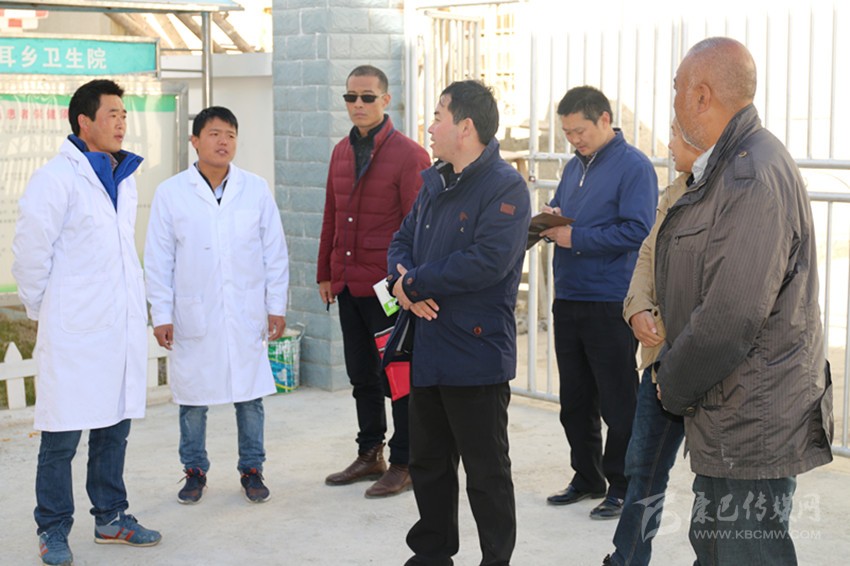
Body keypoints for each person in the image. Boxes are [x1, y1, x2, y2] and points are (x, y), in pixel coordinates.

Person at [656, 37, 833, 564]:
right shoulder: (730, 165)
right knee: (715, 549)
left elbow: (729, 319)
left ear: (702, 96)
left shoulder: (750, 176)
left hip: (750, 420)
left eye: (676, 90)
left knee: (745, 553)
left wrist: (672, 382)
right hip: (730, 413)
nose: (673, 103)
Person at [12, 79, 161, 566]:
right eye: (112, 114)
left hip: (116, 327)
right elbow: (30, 255)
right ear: (84, 121)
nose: (122, 122)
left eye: (124, 115)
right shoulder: (55, 178)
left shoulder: (124, 175)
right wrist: (48, 309)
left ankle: (111, 517)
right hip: (74, 329)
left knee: (113, 428)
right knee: (62, 435)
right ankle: (53, 527)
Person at [385, 80, 531, 566]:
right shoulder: (435, 182)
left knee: (486, 472)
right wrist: (403, 284)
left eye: (438, 117)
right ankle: (432, 555)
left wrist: (415, 283)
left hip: (475, 352)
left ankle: (496, 560)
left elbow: (488, 261)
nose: (430, 127)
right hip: (428, 349)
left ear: (465, 127)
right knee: (428, 463)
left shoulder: (505, 187)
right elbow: (400, 242)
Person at [144, 106, 289, 505]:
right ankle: (194, 471)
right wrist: (162, 314)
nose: (223, 141)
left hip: (245, 311)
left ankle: (252, 469)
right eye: (214, 134)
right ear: (195, 141)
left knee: (250, 396)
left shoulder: (255, 189)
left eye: (230, 134)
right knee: (193, 399)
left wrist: (276, 305)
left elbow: (274, 253)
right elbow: (158, 259)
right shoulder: (172, 193)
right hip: (194, 311)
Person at [540, 86, 657, 520]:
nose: (574, 140)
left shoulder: (634, 167)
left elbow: (638, 230)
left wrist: (576, 237)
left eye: (580, 131)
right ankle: (586, 477)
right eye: (568, 133)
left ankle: (622, 485)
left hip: (610, 299)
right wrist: (552, 219)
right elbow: (570, 216)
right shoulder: (574, 166)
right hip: (569, 295)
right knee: (574, 400)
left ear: (605, 119)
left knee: (617, 401)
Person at [318, 65, 431, 498]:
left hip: (390, 292)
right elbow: (331, 214)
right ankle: (370, 453)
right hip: (349, 285)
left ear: (385, 100)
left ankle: (405, 461)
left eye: (367, 97)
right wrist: (325, 272)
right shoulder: (340, 152)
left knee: (399, 377)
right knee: (361, 375)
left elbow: (418, 229)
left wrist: (411, 286)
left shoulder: (409, 155)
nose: (358, 105)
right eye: (351, 97)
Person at [602, 119, 702, 566]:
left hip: (706, 361)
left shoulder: (734, 193)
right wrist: (637, 308)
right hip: (662, 356)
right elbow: (648, 253)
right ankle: (626, 557)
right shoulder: (675, 190)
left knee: (714, 479)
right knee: (642, 467)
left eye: (676, 134)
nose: (668, 144)